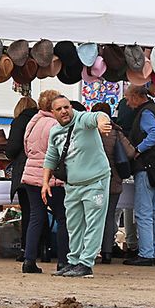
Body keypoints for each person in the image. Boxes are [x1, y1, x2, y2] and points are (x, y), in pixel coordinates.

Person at [41, 98, 114, 278]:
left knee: (93, 223)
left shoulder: (82, 120)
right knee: (73, 225)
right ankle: (73, 261)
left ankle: (86, 263)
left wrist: (103, 123)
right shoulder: (55, 132)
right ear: (53, 113)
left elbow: (98, 116)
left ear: (71, 108)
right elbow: (50, 157)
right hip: (72, 185)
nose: (64, 111)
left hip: (95, 181)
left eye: (67, 107)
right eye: (59, 109)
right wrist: (45, 183)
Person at [121, 82, 155, 266]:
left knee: (143, 212)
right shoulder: (153, 110)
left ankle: (146, 253)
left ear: (135, 97)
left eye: (127, 98)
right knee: (153, 211)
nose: (127, 103)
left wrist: (138, 149)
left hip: (146, 167)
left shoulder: (146, 112)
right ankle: (152, 251)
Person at [19, 92, 64, 274]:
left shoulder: (34, 121)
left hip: (30, 174)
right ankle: (63, 260)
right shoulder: (55, 124)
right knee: (63, 218)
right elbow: (59, 152)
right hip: (49, 177)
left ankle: (29, 260)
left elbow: (26, 146)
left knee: (36, 217)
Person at [94, 102, 132, 264]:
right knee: (110, 216)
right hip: (113, 179)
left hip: (93, 180)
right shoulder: (116, 132)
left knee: (93, 216)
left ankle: (91, 250)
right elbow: (130, 152)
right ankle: (107, 252)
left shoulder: (89, 131)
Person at [8, 95, 39, 261]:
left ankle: (26, 249)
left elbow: (11, 149)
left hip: (24, 171)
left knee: (28, 212)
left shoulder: (19, 122)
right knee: (40, 211)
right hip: (43, 171)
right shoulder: (43, 120)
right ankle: (45, 247)